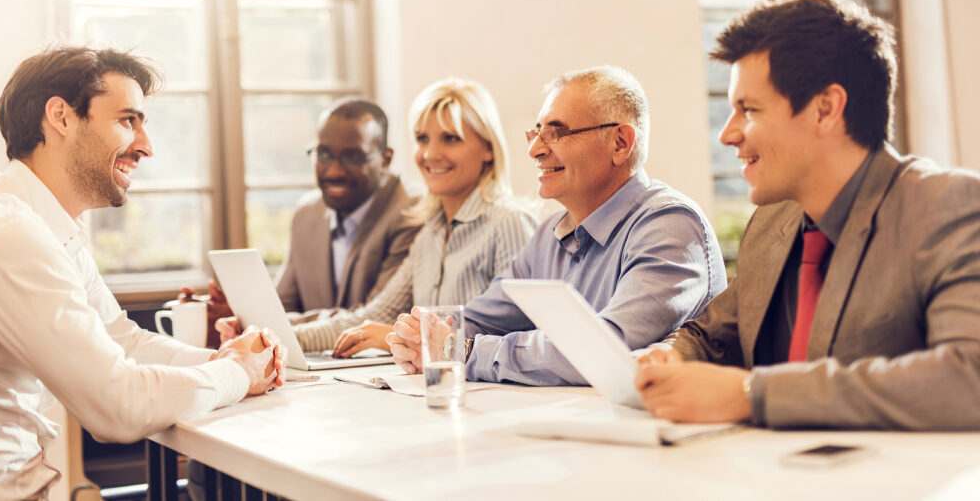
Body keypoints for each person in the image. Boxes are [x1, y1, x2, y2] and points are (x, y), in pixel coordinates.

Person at [634, 0, 980, 430]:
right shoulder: (773, 221)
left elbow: (969, 378)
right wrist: (671, 357)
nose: (727, 134)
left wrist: (752, 395)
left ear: (825, 109)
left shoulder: (949, 207)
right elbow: (713, 335)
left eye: (749, 109)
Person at [0, 47, 284, 500]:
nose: (146, 145)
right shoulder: (10, 237)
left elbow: (123, 340)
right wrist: (236, 374)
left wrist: (227, 359)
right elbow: (116, 407)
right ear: (61, 117)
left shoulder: (45, 226)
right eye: (127, 120)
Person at [387, 66, 727, 386]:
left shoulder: (668, 225)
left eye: (555, 132)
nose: (535, 149)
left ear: (620, 143)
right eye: (536, 132)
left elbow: (603, 347)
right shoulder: (549, 235)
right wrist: (422, 335)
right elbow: (476, 320)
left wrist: (463, 351)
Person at [221, 78, 537, 357]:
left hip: (495, 399)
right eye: (423, 139)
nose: (430, 154)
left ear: (488, 149)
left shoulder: (508, 221)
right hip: (436, 392)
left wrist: (395, 337)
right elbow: (376, 316)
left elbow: (510, 322)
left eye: (450, 138)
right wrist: (269, 337)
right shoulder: (430, 231)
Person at [185, 98, 421, 346]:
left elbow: (376, 319)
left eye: (352, 157)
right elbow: (282, 306)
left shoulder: (410, 211)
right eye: (323, 154)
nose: (334, 171)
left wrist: (256, 326)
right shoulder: (307, 213)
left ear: (385, 159)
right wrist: (238, 315)